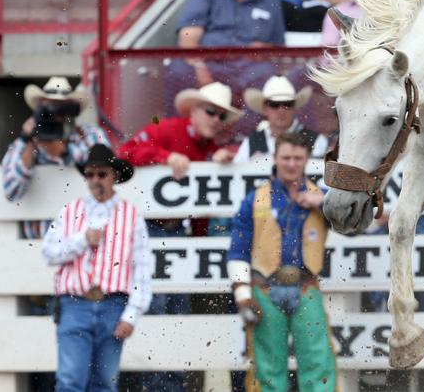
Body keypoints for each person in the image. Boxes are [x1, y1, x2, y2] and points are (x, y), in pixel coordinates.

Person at [227, 132, 337, 392]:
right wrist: (242, 293)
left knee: (317, 359)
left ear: (306, 159)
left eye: (297, 158)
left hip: (306, 285)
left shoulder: (321, 196)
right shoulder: (254, 199)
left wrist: (324, 204)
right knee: (268, 364)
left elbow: (354, 224)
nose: (291, 163)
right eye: (286, 157)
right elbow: (238, 249)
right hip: (264, 286)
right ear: (275, 158)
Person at [41, 145, 152, 392]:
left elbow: (142, 270)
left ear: (114, 176)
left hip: (113, 304)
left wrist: (131, 314)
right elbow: (48, 253)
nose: (94, 180)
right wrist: (81, 240)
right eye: (90, 174)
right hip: (74, 303)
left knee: (104, 383)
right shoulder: (70, 211)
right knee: (70, 380)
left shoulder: (132, 216)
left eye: (101, 174)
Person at [1, 77, 111, 239]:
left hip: (84, 242)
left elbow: (107, 170)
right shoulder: (25, 143)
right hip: (37, 245)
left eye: (63, 109)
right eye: (50, 109)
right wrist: (32, 143)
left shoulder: (91, 135)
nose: (57, 116)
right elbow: (11, 190)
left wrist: (64, 153)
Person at [119, 82, 240, 177]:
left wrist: (225, 162)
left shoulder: (212, 147)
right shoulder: (165, 128)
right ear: (193, 111)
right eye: (211, 112)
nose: (216, 120)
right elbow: (126, 153)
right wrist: (168, 157)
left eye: (222, 116)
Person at [236, 77, 315, 164]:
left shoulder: (316, 140)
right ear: (264, 109)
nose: (281, 110)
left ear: (295, 108)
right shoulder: (250, 142)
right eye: (274, 105)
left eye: (287, 104)